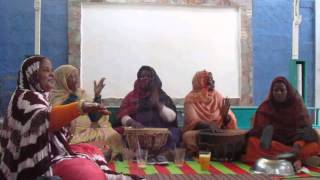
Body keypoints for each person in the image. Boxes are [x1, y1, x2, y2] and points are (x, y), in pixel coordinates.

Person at [0, 56, 143, 180]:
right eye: (46, 70)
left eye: (51, 70)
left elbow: (94, 118)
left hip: (59, 147)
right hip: (26, 164)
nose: (51, 75)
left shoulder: (41, 96)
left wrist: (96, 97)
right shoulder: (24, 98)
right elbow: (45, 120)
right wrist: (80, 107)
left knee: (100, 143)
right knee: (85, 163)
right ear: (32, 74)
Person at [241, 76, 320, 169]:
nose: (279, 93)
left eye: (282, 90)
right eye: (276, 90)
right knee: (252, 142)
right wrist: (265, 132)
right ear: (271, 92)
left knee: (313, 146)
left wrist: (297, 146)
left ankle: (291, 157)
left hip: (295, 144)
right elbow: (257, 131)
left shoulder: (297, 106)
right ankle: (296, 158)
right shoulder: (266, 106)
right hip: (275, 144)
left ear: (288, 91)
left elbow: (305, 130)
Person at [51, 65, 122, 158]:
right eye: (71, 77)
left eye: (77, 76)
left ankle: (110, 157)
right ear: (62, 80)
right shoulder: (54, 97)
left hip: (87, 131)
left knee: (111, 134)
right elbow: (60, 116)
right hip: (71, 135)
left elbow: (94, 118)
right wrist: (73, 95)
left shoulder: (82, 93)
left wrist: (97, 96)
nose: (76, 79)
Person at [117, 65, 180, 151]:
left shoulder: (162, 95)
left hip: (161, 132)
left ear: (154, 79)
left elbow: (171, 118)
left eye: (148, 76)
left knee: (174, 133)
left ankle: (163, 154)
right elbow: (123, 115)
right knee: (121, 134)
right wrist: (132, 122)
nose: (145, 79)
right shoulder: (132, 96)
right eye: (142, 76)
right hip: (138, 130)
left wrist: (158, 105)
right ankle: (138, 154)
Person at [182, 70, 237, 153]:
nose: (213, 83)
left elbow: (229, 121)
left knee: (237, 135)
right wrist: (209, 126)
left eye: (212, 80)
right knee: (188, 137)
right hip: (202, 132)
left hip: (219, 131)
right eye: (209, 80)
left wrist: (226, 117)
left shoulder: (217, 96)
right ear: (200, 83)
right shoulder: (190, 99)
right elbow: (193, 122)